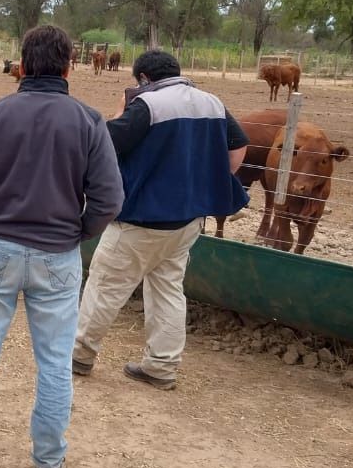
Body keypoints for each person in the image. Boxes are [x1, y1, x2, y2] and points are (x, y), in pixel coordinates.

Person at [0, 25, 123, 468]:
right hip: (57, 254)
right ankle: (48, 464)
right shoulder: (89, 121)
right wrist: (78, 233)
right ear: (69, 66)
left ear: (21, 64)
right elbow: (109, 198)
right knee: (56, 362)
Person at [72, 49, 249, 390]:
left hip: (141, 220)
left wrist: (120, 112)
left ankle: (79, 354)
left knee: (105, 286)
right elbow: (238, 147)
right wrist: (208, 183)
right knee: (168, 291)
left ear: (144, 79)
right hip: (187, 221)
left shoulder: (149, 105)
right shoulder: (211, 102)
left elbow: (105, 143)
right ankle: (162, 366)